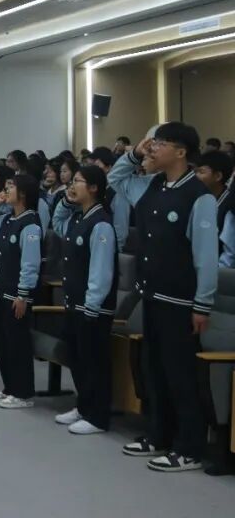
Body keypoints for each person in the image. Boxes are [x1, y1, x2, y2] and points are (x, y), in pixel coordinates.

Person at [109, 123, 218, 472]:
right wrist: (134, 153)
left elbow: (206, 257)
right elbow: (115, 179)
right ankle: (159, 435)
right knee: (154, 370)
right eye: (151, 143)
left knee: (180, 375)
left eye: (160, 143)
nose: (152, 148)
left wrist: (202, 303)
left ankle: (189, 447)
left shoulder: (198, 196)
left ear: (181, 152)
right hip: (152, 295)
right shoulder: (151, 186)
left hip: (181, 301)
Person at [51, 165, 118, 435]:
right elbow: (57, 221)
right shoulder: (78, 218)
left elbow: (101, 271)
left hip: (93, 308)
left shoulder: (100, 223)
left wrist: (92, 305)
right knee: (77, 358)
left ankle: (98, 416)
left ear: (93, 188)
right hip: (74, 303)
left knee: (94, 362)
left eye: (78, 181)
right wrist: (66, 202)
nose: (72, 185)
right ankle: (84, 406)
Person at [0, 173, 43, 409]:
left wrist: (23, 294)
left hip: (17, 295)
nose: (6, 191)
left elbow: (30, 264)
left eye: (11, 187)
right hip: (2, 291)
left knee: (18, 345)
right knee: (3, 344)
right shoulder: (7, 219)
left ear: (23, 193)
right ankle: (9, 387)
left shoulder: (30, 224)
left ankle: (23, 393)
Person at [193, 150, 234, 269]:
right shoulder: (198, 199)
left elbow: (229, 256)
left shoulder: (229, 206)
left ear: (217, 176)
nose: (195, 177)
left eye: (201, 172)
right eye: (195, 172)